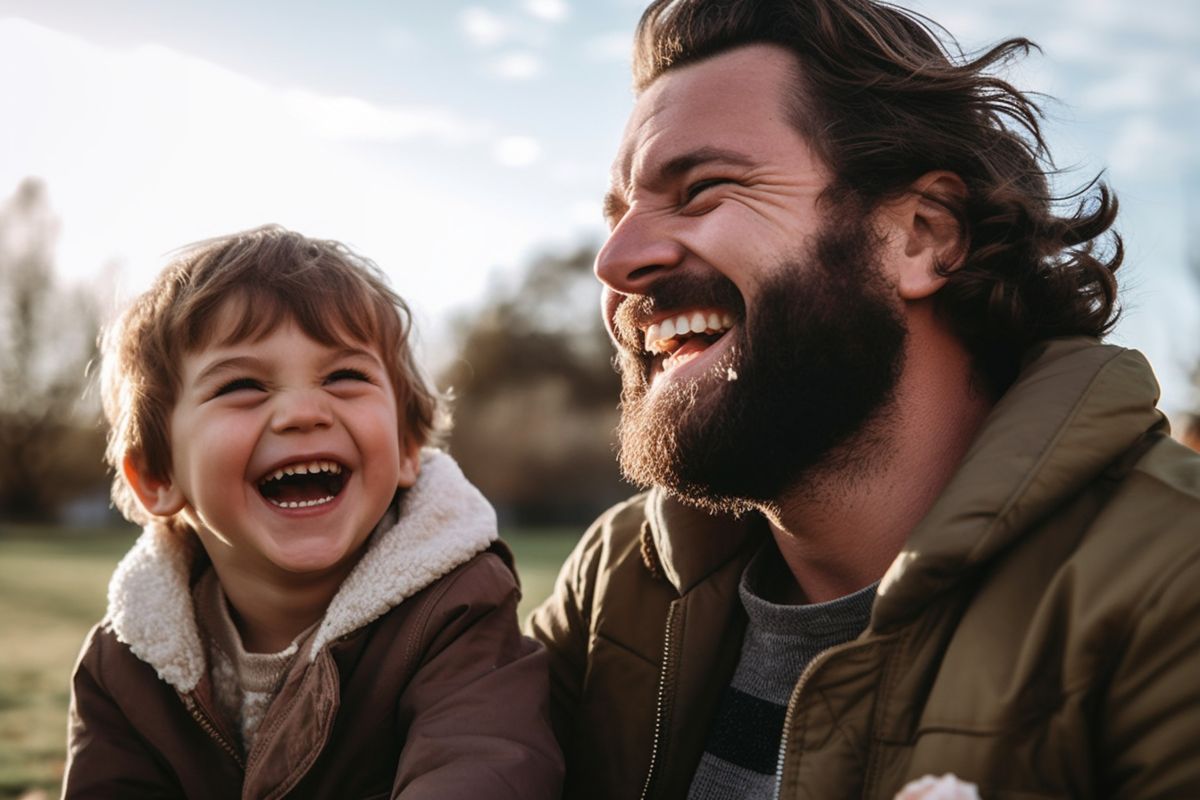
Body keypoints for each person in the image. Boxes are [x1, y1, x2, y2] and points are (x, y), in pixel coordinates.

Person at [527, 1, 1200, 798]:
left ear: (919, 235)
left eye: (703, 190)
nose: (615, 261)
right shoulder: (621, 580)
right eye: (619, 216)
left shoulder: (1172, 585)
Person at [65, 226, 563, 798]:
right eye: (242, 385)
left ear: (406, 449)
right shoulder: (126, 664)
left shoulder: (456, 611)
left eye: (345, 376)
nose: (303, 412)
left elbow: (485, 767)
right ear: (159, 477)